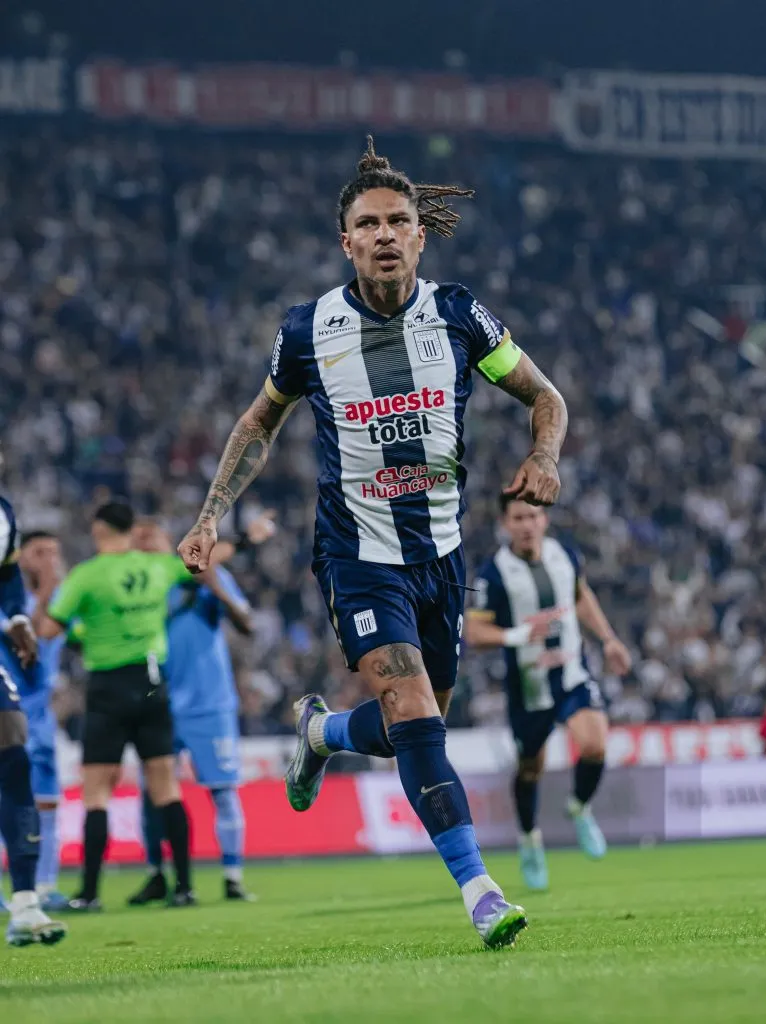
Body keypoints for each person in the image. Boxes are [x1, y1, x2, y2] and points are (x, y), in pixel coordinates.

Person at [177, 137, 568, 948]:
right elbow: (259, 423)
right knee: (417, 719)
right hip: (357, 557)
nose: (385, 234)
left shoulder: (459, 315)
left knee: (404, 735)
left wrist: (543, 456)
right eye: (368, 223)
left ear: (419, 234)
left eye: (398, 220)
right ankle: (481, 893)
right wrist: (212, 513)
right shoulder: (306, 330)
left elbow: (545, 396)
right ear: (345, 239)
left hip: (441, 555)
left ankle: (319, 733)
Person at [33, 500, 199, 911]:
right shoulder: (157, 567)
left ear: (98, 529)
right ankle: (185, 888)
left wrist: (80, 627)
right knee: (166, 787)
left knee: (96, 793)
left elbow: (50, 629)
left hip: (108, 687)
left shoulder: (87, 576)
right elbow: (199, 565)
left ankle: (89, 894)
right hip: (151, 684)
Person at [465, 495, 632, 890]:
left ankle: (579, 807)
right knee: (530, 769)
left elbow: (580, 595)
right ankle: (529, 840)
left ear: (544, 520)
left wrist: (608, 638)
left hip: (571, 673)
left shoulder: (564, 555)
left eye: (533, 516)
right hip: (529, 687)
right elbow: (474, 632)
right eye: (518, 517)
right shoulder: (494, 573)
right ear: (505, 524)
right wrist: (520, 634)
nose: (527, 524)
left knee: (594, 744)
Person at [127, 518, 266, 905]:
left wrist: (214, 586)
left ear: (170, 543)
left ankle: (233, 877)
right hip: (158, 703)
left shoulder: (205, 575)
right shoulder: (139, 590)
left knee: (222, 790)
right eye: (137, 540)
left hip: (210, 702)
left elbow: (248, 624)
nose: (143, 544)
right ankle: (157, 873)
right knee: (151, 792)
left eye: (150, 536)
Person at [0, 460, 66, 944]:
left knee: (13, 754)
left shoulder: (3, 514)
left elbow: (4, 577)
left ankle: (24, 903)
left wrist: (16, 619)